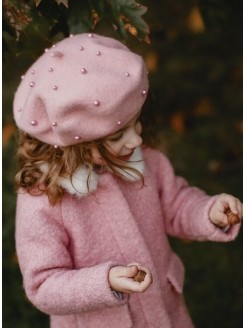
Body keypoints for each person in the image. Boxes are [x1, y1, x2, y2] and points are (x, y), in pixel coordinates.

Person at [13, 33, 242, 328]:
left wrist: (207, 212)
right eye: (119, 135)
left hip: (164, 310)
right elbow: (43, 285)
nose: (136, 139)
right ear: (76, 144)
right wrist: (104, 281)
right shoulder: (44, 200)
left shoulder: (146, 159)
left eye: (136, 122)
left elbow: (173, 202)